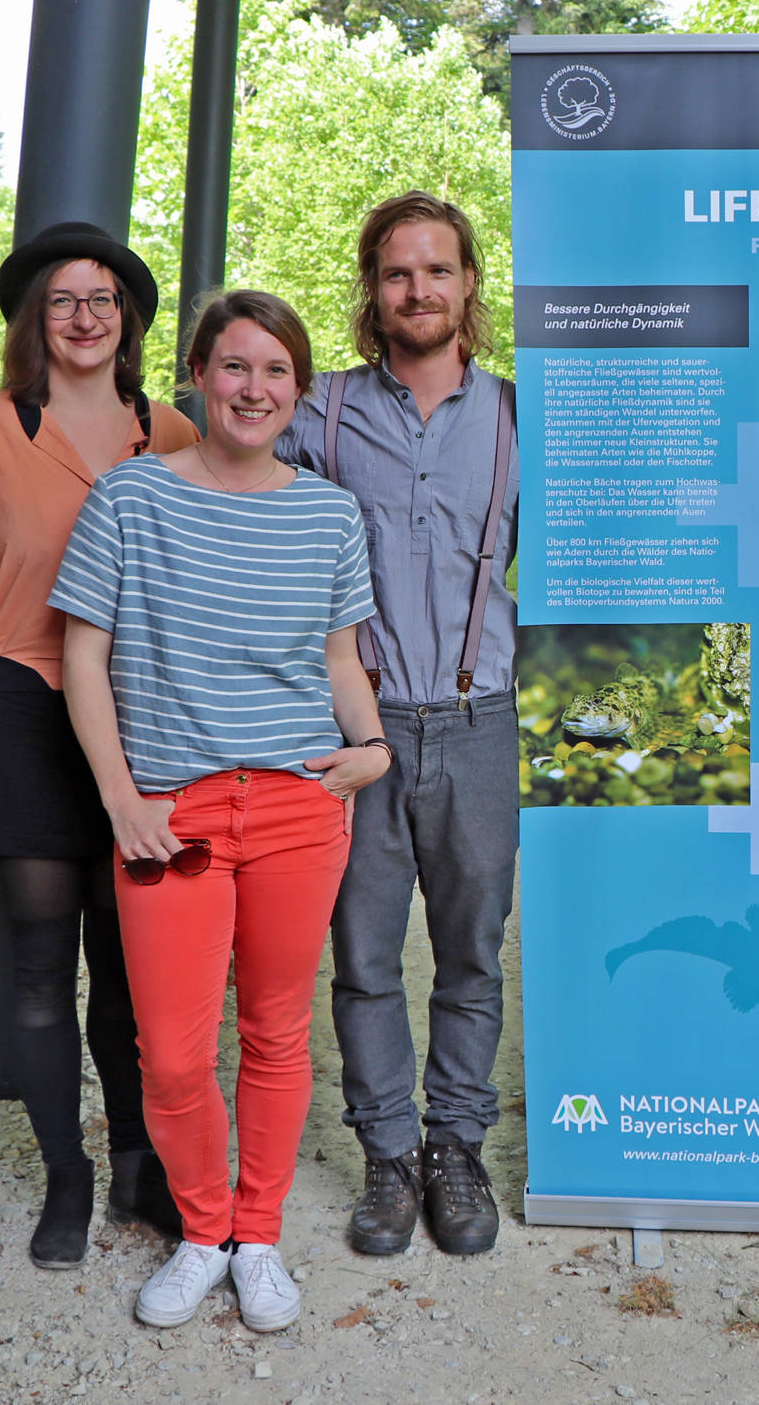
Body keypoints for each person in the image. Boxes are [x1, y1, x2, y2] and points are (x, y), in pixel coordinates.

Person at [53, 290, 391, 1332]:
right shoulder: (130, 499)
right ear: (197, 372)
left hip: (297, 807)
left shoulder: (328, 511)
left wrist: (372, 748)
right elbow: (83, 655)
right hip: (173, 816)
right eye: (236, 366)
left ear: (299, 386)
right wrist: (121, 800)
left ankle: (258, 1236)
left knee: (279, 1032)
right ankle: (202, 1232)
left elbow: (340, 660)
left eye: (277, 370)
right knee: (172, 1049)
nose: (255, 388)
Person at [0, 222, 199, 1268]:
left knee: (129, 965)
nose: (83, 316)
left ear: (128, 320)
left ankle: (134, 1166)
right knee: (39, 964)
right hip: (18, 701)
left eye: (103, 299)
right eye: (63, 299)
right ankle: (62, 1175)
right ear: (37, 319)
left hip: (139, 716)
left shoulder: (171, 435)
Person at [275, 192, 518, 1258]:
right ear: (372, 293)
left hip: (480, 720)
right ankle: (384, 1155)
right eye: (396, 273)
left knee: (470, 954)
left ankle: (453, 1147)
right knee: (364, 955)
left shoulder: (522, 413)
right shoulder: (311, 410)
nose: (418, 290)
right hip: (354, 728)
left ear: (469, 284)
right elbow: (205, 457)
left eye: (437, 270)